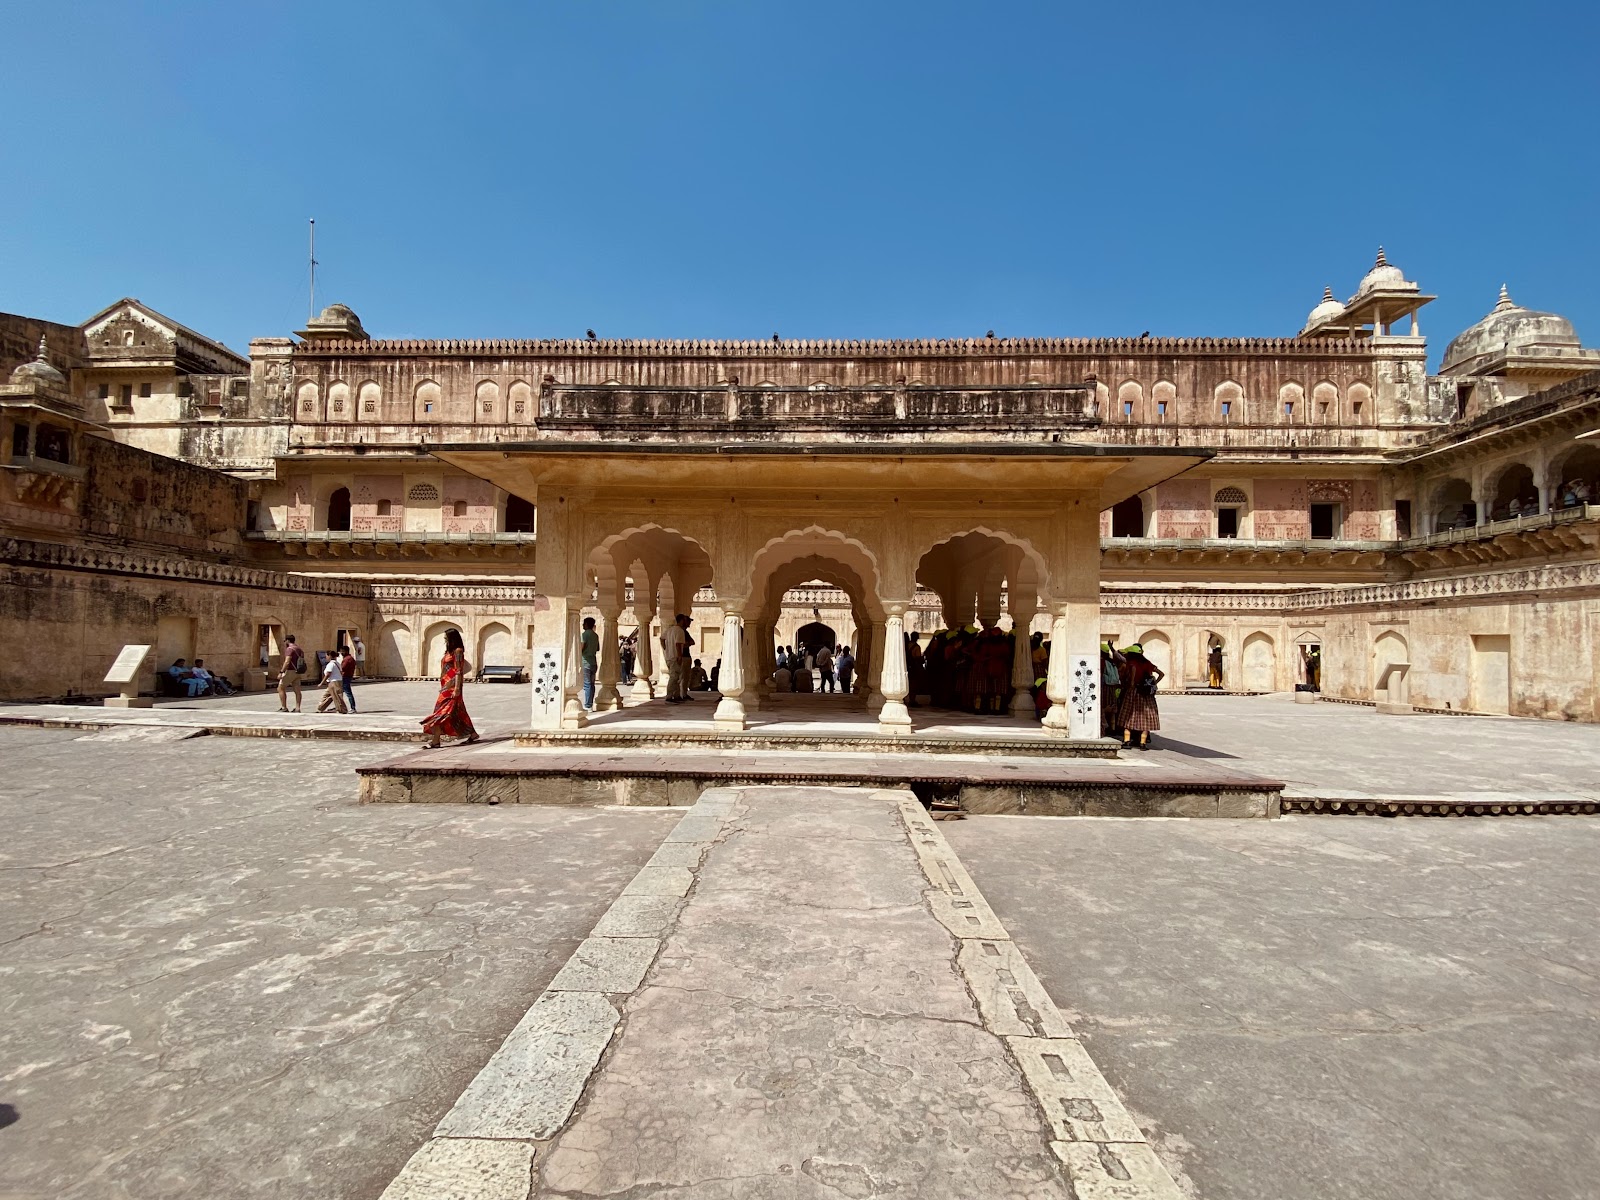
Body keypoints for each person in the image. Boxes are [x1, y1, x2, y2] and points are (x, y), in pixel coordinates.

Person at [422, 628, 479, 747]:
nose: (445, 640)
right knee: (458, 711)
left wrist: (457, 688)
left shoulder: (458, 651)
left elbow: (458, 671)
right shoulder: (449, 652)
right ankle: (472, 734)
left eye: (446, 638)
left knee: (440, 712)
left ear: (452, 638)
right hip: (445, 685)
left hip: (452, 686)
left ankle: (436, 741)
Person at [1116, 643, 1164, 750]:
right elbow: (1161, 673)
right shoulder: (1147, 663)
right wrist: (1154, 683)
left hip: (1134, 693)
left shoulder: (1132, 663)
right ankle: (1143, 743)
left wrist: (1131, 682)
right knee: (1145, 718)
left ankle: (1127, 741)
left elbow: (1132, 674)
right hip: (1147, 695)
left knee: (1128, 716)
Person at [663, 614, 690, 702]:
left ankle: (676, 695)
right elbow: (678, 644)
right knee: (674, 677)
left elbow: (661, 638)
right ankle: (669, 696)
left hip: (669, 656)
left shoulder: (670, 630)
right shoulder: (679, 631)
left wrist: (666, 649)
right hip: (675, 657)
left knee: (676, 677)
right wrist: (679, 656)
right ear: (682, 620)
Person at [276, 635, 305, 712]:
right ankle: (298, 708)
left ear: (288, 640)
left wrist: (281, 671)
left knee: (280, 688)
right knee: (297, 690)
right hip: (298, 671)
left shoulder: (289, 649)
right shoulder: (299, 649)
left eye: (285, 641)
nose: (285, 642)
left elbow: (287, 661)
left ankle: (284, 707)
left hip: (290, 671)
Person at [580, 616, 600, 710]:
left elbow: (581, 647)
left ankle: (588, 705)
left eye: (584, 623)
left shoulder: (584, 635)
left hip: (586, 662)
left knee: (587, 684)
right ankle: (590, 704)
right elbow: (597, 648)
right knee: (592, 684)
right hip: (593, 662)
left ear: (587, 624)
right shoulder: (595, 635)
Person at [339, 644, 359, 713]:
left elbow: (342, 668)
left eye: (342, 651)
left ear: (346, 651)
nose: (341, 653)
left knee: (348, 693)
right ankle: (339, 706)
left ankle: (353, 708)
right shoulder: (351, 658)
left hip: (345, 677)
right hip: (348, 676)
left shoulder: (347, 659)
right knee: (340, 693)